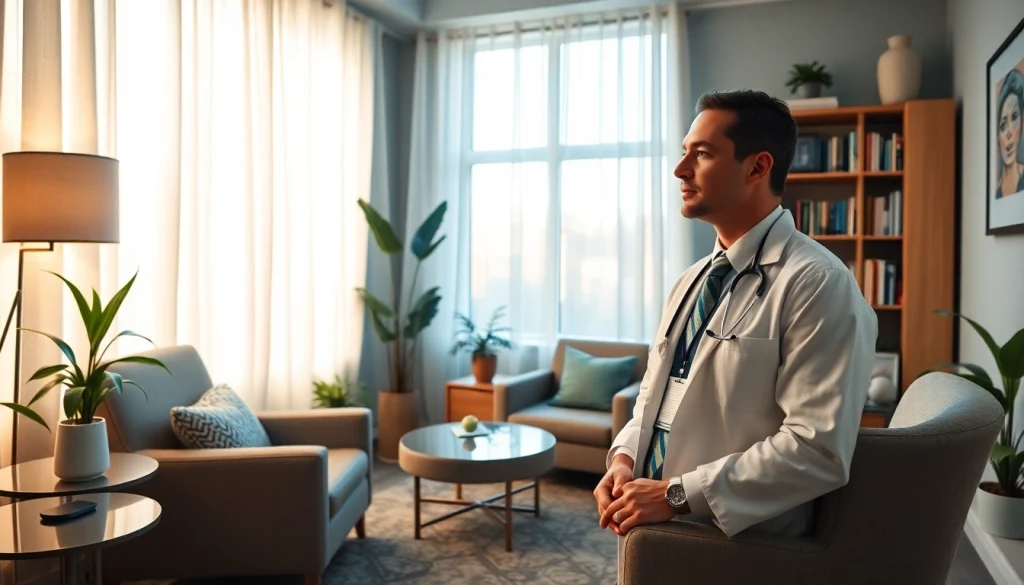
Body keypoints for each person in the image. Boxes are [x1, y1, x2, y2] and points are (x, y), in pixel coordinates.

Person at [592, 89, 877, 580]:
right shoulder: (692, 280)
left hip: (739, 545)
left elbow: (817, 449)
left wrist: (677, 495)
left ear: (757, 167)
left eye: (701, 154)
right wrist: (623, 457)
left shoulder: (818, 284)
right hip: (657, 527)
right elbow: (654, 397)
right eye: (685, 153)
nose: (681, 170)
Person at [995, 68, 1024, 199]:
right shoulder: (996, 194)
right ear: (997, 137)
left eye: (1015, 117)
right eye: (1003, 125)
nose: (1009, 134)